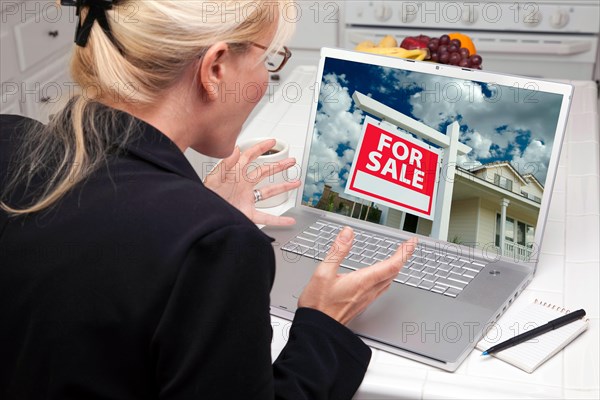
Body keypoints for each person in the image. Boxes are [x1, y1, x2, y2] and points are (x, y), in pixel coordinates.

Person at [0, 1, 416, 399]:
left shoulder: (8, 137)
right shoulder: (218, 246)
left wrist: (198, 209)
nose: (264, 80)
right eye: (267, 61)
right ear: (215, 68)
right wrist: (323, 325)